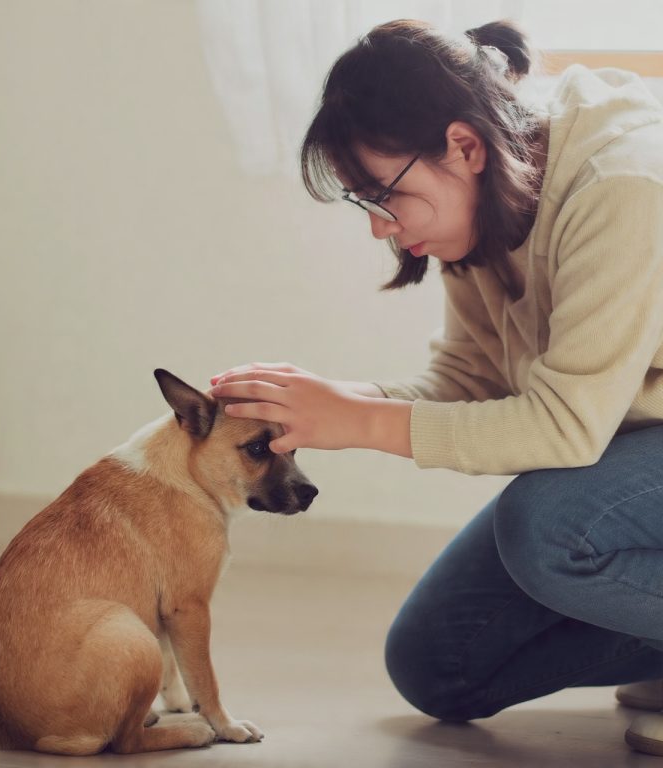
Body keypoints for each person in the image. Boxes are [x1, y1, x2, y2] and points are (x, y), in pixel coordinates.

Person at [208, 18, 663, 756]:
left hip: (617, 448)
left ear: (464, 145)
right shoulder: (489, 208)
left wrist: (356, 421)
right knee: (435, 666)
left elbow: (565, 429)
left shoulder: (624, 183)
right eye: (366, 203)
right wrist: (323, 406)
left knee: (547, 529)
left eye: (383, 195)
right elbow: (468, 379)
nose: (381, 228)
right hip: (636, 454)